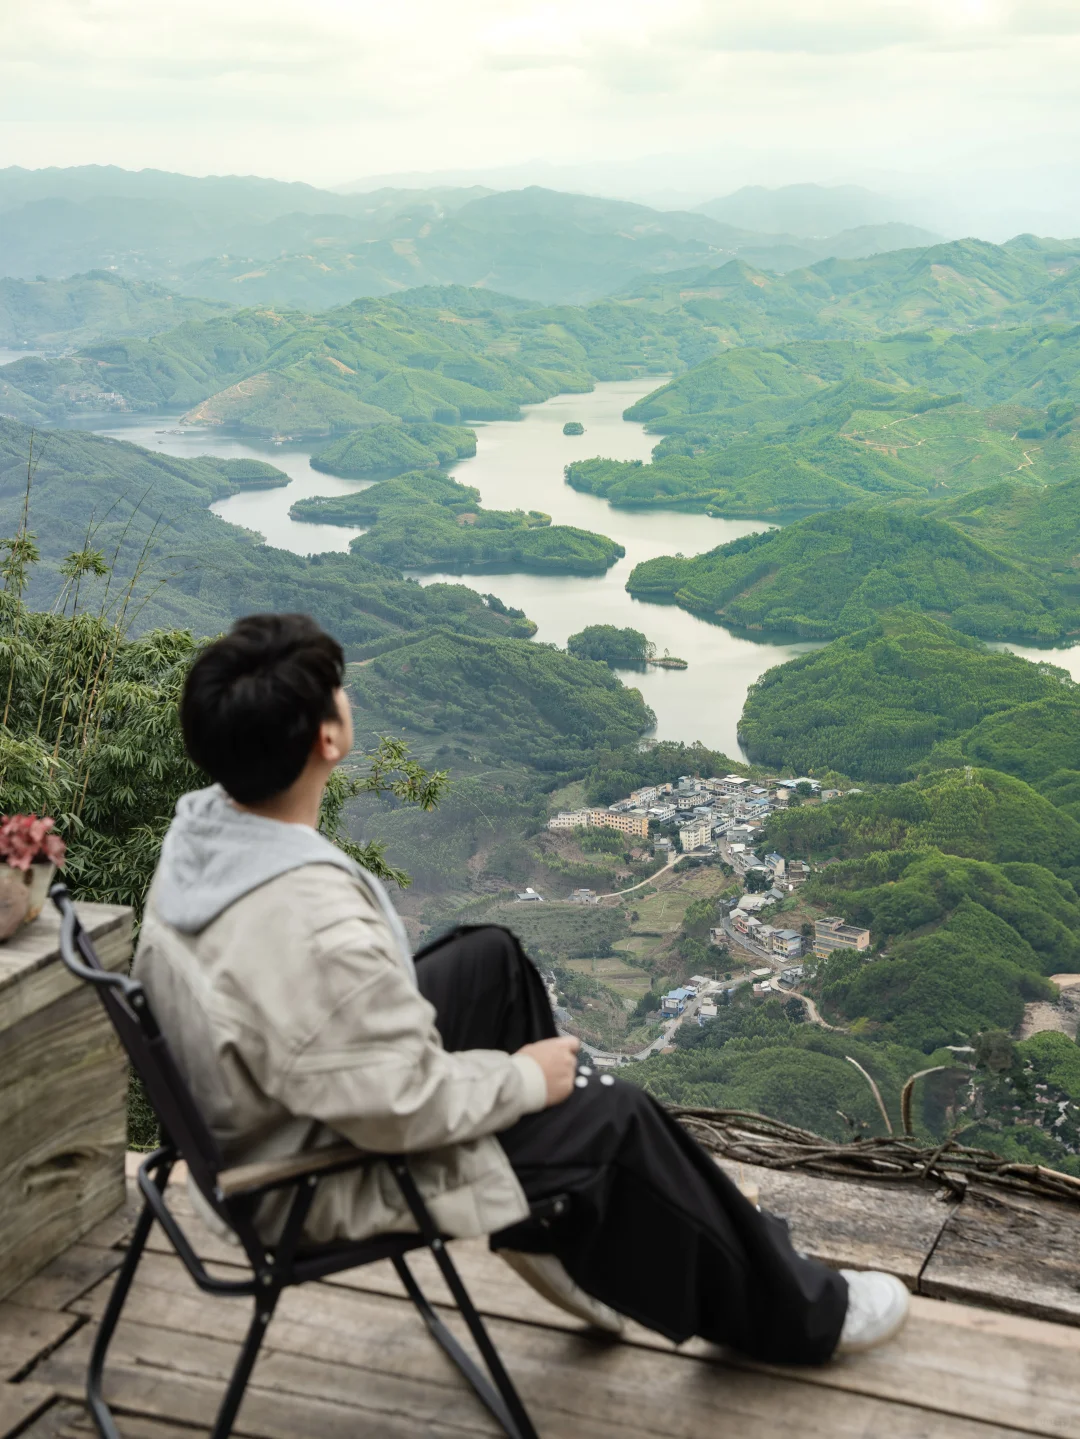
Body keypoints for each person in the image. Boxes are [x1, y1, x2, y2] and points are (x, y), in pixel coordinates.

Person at [133, 612, 909, 1363]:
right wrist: (522, 1079)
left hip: (271, 1108)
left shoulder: (204, 834)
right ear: (327, 738)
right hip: (312, 1176)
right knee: (615, 1115)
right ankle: (804, 1312)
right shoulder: (311, 921)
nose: (348, 695)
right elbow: (403, 1106)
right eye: (339, 687)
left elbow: (338, 1040)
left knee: (489, 958)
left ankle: (552, 1219)